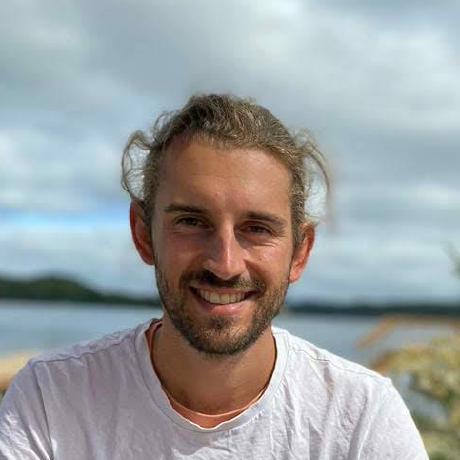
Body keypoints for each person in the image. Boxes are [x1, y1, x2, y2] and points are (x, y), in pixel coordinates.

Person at [0, 94, 428, 459]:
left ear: (300, 252)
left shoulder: (360, 418)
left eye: (257, 229)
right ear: (143, 235)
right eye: (191, 222)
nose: (225, 264)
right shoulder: (52, 398)